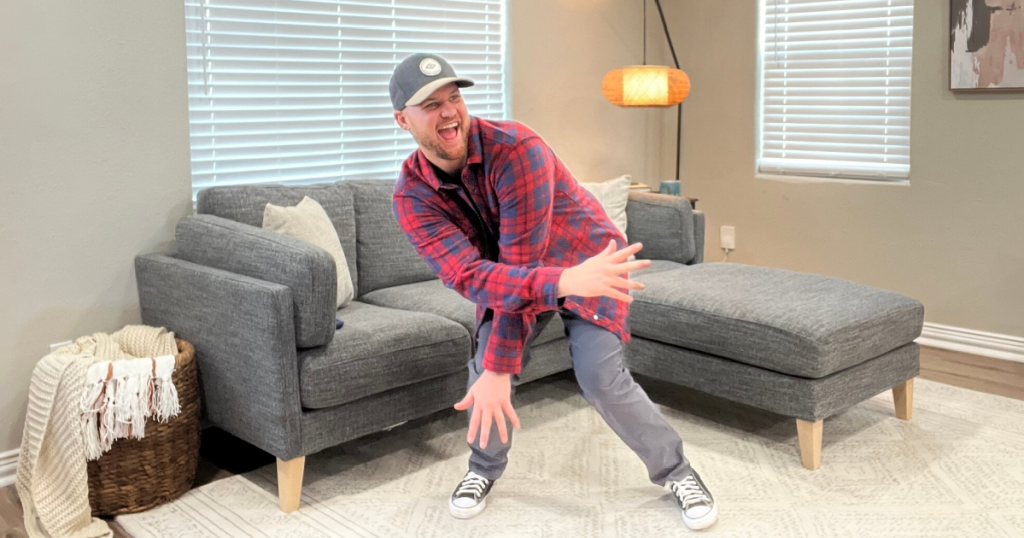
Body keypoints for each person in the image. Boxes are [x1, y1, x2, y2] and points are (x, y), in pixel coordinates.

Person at [389, 53, 717, 531]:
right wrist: (498, 366)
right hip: (544, 274)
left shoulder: (515, 148)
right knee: (485, 373)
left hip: (590, 264)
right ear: (403, 120)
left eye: (454, 97)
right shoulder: (412, 196)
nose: (448, 111)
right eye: (430, 104)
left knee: (600, 378)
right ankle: (482, 469)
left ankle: (677, 472)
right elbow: (469, 276)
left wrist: (510, 357)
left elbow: (519, 259)